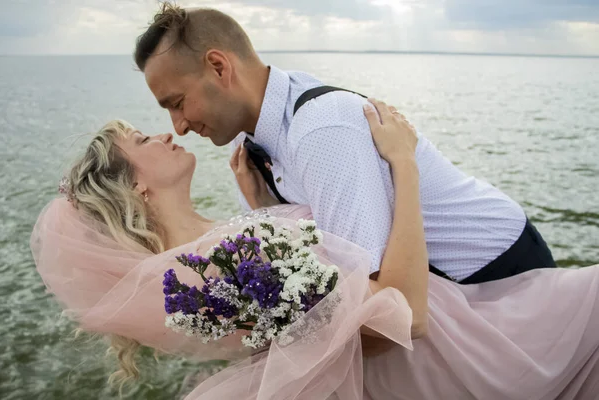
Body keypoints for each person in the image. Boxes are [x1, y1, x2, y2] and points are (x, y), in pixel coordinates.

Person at [32, 100, 599, 399]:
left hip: (447, 336)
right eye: (140, 140)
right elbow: (404, 312)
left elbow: (293, 312)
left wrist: (264, 208)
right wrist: (403, 165)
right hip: (447, 354)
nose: (163, 133)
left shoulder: (206, 259)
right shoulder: (226, 260)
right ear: (136, 187)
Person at [133, 3, 555, 285]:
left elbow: (364, 292)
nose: (179, 126)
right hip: (440, 289)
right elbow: (314, 268)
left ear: (219, 66)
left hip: (497, 270)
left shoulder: (320, 129)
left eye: (177, 103)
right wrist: (265, 211)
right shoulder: (252, 153)